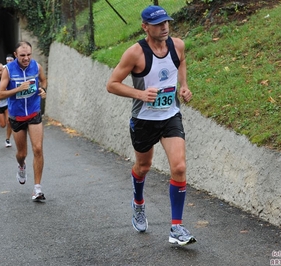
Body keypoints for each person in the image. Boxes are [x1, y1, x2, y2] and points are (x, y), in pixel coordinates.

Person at [106, 5, 196, 245]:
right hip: (144, 120)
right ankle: (138, 202)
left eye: (166, 22)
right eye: (158, 24)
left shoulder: (177, 45)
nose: (164, 27)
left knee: (179, 167)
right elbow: (112, 84)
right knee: (143, 167)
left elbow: (182, 62)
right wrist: (139, 94)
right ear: (145, 27)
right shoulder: (135, 54)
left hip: (170, 116)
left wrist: (183, 86)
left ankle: (176, 228)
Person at [0, 41, 47, 201]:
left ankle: (37, 189)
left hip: (34, 112)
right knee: (22, 153)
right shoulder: (8, 70)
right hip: (17, 116)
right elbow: (0, 94)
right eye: (22, 55)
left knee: (38, 149)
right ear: (15, 55)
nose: (26, 58)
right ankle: (21, 165)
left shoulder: (36, 66)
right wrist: (19, 89)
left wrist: (43, 90)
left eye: (28, 55)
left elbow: (43, 81)